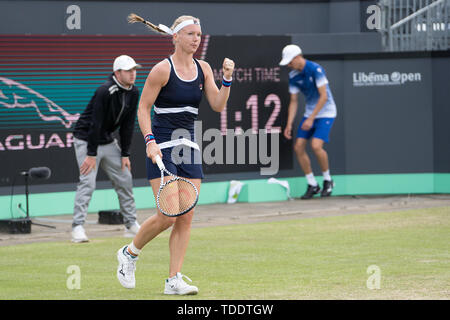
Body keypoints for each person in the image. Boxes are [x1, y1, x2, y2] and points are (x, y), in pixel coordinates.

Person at [116, 15, 235, 295]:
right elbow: (143, 109)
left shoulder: (204, 68)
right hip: (162, 147)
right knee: (167, 216)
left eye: (199, 34)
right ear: (176, 37)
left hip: (189, 148)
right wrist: (149, 142)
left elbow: (217, 104)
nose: (196, 39)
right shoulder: (161, 70)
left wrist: (227, 79)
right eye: (191, 34)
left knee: (186, 217)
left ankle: (173, 280)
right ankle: (129, 253)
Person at [71, 55, 142, 242]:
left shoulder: (134, 92)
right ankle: (77, 228)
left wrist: (125, 153)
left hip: (108, 141)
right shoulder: (104, 90)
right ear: (117, 73)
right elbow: (96, 123)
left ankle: (131, 224)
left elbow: (128, 125)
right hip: (86, 140)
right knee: (88, 182)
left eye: (134, 70)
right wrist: (91, 154)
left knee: (125, 178)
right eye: (128, 71)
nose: (133, 74)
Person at [279, 44, 337, 199]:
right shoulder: (293, 76)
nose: (289, 65)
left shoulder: (316, 69)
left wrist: (311, 119)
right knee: (298, 147)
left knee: (316, 146)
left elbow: (324, 97)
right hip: (310, 114)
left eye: (290, 62)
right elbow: (294, 101)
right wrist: (289, 124)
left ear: (298, 57)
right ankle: (312, 184)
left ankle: (328, 180)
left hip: (326, 112)